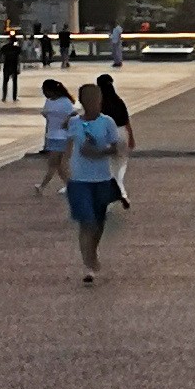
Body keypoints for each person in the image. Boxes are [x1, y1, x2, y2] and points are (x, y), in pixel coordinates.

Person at [59, 83, 123, 284]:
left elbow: (116, 148)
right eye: (88, 100)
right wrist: (66, 171)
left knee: (98, 221)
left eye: (96, 99)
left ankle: (93, 252)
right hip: (79, 180)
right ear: (83, 101)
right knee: (86, 222)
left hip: (102, 178)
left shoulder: (108, 122)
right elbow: (76, 149)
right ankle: (88, 265)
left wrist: (101, 151)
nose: (93, 104)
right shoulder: (75, 123)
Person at [96, 72, 135, 206]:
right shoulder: (119, 101)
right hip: (122, 132)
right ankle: (120, 190)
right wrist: (131, 137)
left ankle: (115, 192)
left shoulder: (99, 103)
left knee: (108, 167)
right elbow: (126, 120)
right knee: (120, 164)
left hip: (106, 135)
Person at [35, 79, 77, 193]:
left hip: (62, 136)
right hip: (52, 135)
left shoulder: (65, 101)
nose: (45, 93)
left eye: (46, 90)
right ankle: (70, 185)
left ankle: (43, 186)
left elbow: (74, 114)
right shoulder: (49, 101)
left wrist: (67, 121)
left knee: (55, 164)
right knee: (57, 166)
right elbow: (47, 118)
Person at [0, 31, 22, 101]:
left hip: (6, 65)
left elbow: (1, 56)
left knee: (5, 82)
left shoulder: (4, 47)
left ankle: (4, 97)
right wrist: (19, 67)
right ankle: (14, 98)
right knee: (14, 83)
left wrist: (2, 62)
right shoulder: (17, 49)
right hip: (14, 66)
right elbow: (19, 58)